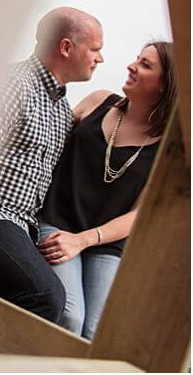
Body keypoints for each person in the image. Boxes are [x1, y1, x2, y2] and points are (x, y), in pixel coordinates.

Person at [0, 6, 103, 323]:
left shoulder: (61, 111)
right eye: (96, 49)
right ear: (66, 47)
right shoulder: (12, 85)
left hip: (22, 225)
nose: (100, 59)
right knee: (46, 297)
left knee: (68, 306)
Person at [36, 41, 176, 339]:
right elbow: (45, 138)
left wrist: (85, 240)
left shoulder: (169, 149)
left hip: (103, 244)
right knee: (71, 317)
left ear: (166, 86)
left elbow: (139, 215)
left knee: (96, 333)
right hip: (55, 223)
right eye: (137, 58)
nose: (131, 65)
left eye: (145, 65)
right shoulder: (98, 102)